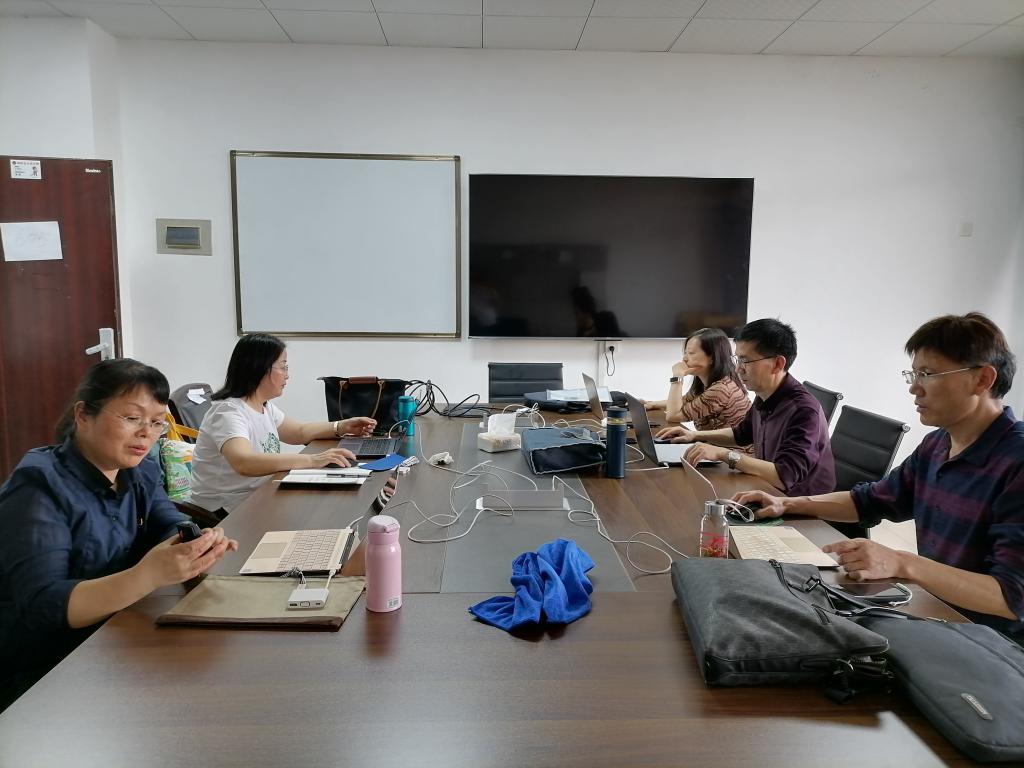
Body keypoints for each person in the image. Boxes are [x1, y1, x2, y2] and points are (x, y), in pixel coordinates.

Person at [735, 312, 1024, 639]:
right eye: (913, 374)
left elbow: (1012, 597)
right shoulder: (937, 444)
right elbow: (869, 501)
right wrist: (787, 504)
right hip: (940, 617)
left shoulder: (1016, 461)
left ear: (982, 379)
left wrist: (902, 563)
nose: (914, 388)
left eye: (927, 374)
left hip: (995, 646)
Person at [0, 359, 238, 710]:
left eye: (156, 422)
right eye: (132, 418)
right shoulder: (38, 487)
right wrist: (148, 575)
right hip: (44, 673)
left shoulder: (137, 470)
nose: (146, 433)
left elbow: (165, 522)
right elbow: (43, 607)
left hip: (116, 638)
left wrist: (194, 543)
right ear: (83, 415)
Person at [189, 333, 376, 515]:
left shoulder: (263, 405)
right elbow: (244, 462)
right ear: (260, 368)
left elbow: (298, 432)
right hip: (224, 509)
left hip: (258, 495)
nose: (287, 375)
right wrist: (313, 460)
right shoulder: (228, 412)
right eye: (283, 367)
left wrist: (341, 426)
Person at [655, 318, 835, 495]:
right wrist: (694, 435)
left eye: (745, 361)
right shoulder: (766, 394)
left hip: (799, 503)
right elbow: (742, 434)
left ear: (777, 364)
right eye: (738, 360)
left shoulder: (804, 410)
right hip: (767, 489)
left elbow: (785, 475)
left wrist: (724, 454)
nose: (738, 369)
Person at [642, 327, 751, 432]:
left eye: (691, 353)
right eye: (685, 353)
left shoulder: (721, 389)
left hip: (728, 446)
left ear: (712, 357)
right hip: (711, 444)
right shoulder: (705, 382)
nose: (684, 358)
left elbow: (673, 415)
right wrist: (652, 404)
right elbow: (684, 401)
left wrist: (677, 377)